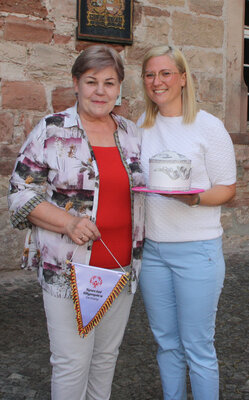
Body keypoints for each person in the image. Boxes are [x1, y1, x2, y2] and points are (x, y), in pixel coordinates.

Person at [8, 44, 144, 400]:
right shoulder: (52, 130)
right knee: (71, 362)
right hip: (68, 269)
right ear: (76, 83)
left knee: (104, 359)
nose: (100, 91)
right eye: (91, 81)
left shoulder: (131, 133)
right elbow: (20, 192)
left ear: (119, 88)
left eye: (109, 83)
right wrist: (67, 222)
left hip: (120, 267)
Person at [137, 45, 236, 400]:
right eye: (150, 75)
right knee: (166, 343)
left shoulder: (208, 126)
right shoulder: (141, 127)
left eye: (165, 73)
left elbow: (228, 189)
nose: (157, 81)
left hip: (198, 252)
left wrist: (194, 198)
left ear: (182, 79)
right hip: (153, 253)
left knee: (198, 345)